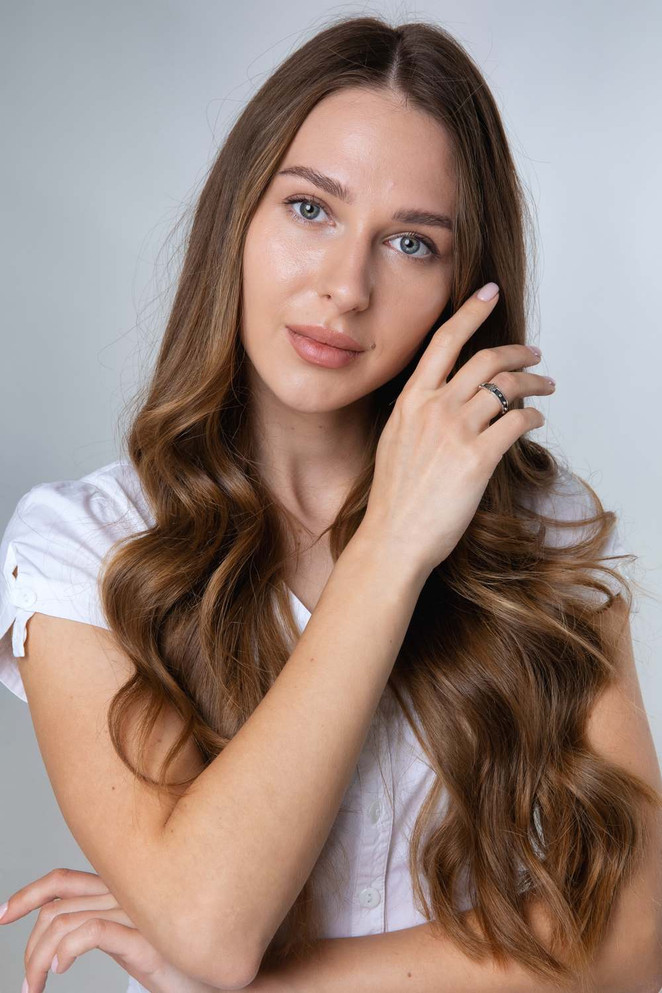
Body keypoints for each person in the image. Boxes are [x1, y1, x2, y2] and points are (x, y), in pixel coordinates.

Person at [1, 14, 661, 993]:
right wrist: (393, 545)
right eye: (310, 210)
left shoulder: (536, 525)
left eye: (408, 242)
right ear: (240, 216)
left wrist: (265, 988)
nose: (344, 288)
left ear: (462, 288)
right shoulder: (80, 552)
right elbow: (213, 922)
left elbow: (637, 941)